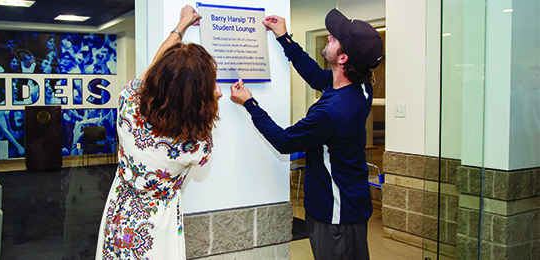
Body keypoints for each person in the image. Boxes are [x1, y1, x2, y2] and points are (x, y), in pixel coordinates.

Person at [230, 9, 383, 260]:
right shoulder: (361, 87)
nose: (330, 36)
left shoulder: (332, 112)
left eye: (335, 38)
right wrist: (284, 37)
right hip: (352, 204)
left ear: (343, 58)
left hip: (334, 215)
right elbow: (315, 76)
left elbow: (284, 141)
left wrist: (250, 103)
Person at [95, 5, 221, 259]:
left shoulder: (129, 104)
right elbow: (199, 115)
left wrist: (181, 25)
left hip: (119, 217)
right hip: (155, 231)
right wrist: (213, 97)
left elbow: (154, 68)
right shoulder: (197, 145)